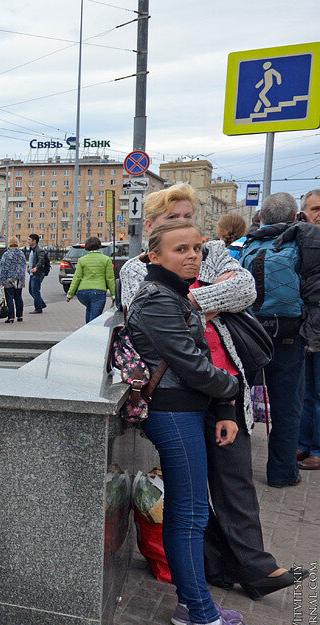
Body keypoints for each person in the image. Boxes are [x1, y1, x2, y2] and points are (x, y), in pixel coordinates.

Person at [121, 184, 300, 600]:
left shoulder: (213, 251)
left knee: (234, 479)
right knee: (190, 497)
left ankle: (256, 567)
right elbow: (145, 310)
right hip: (181, 392)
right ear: (151, 227)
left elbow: (245, 290)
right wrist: (200, 300)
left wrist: (188, 300)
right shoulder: (136, 267)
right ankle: (210, 575)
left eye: (190, 218)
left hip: (224, 380)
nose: (186, 230)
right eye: (173, 219)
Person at [126, 220, 267, 625]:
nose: (192, 256)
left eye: (197, 249)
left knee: (188, 514)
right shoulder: (155, 299)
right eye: (180, 249)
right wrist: (234, 389)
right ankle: (204, 621)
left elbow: (202, 353)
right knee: (189, 516)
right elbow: (192, 364)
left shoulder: (178, 294)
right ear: (154, 256)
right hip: (173, 415)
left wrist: (224, 407)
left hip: (189, 410)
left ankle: (192, 605)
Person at [243, 192, 317, 487]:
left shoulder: (248, 244)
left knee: (239, 401)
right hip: (288, 336)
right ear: (296, 217)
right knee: (287, 407)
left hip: (250, 333)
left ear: (260, 217)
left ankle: (235, 470)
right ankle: (282, 473)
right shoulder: (302, 244)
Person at [297, 189, 320, 470]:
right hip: (305, 329)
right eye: (315, 209)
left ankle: (317, 449)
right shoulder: (299, 241)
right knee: (304, 393)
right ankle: (303, 444)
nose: (319, 214)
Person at [66, 236, 116, 323]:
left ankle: (87, 328)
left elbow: (77, 278)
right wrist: (114, 295)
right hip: (98, 291)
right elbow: (110, 278)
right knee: (95, 319)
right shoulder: (106, 260)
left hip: (83, 293)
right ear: (99, 246)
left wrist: (70, 294)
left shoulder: (82, 260)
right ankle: (91, 330)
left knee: (89, 309)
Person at [0, 240, 27, 323]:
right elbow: (24, 266)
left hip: (9, 278)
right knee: (18, 297)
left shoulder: (6, 254)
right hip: (19, 278)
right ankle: (20, 316)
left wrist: (2, 281)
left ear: (9, 244)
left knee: (9, 298)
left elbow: (4, 268)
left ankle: (11, 317)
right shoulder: (21, 254)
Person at [26, 233, 50, 314]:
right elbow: (32, 260)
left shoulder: (39, 250)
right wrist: (29, 267)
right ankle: (41, 304)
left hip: (38, 273)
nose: (28, 241)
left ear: (34, 241)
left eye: (29, 240)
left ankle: (38, 308)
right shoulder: (32, 249)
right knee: (31, 290)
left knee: (35, 291)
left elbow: (41, 260)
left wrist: (36, 268)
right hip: (32, 273)